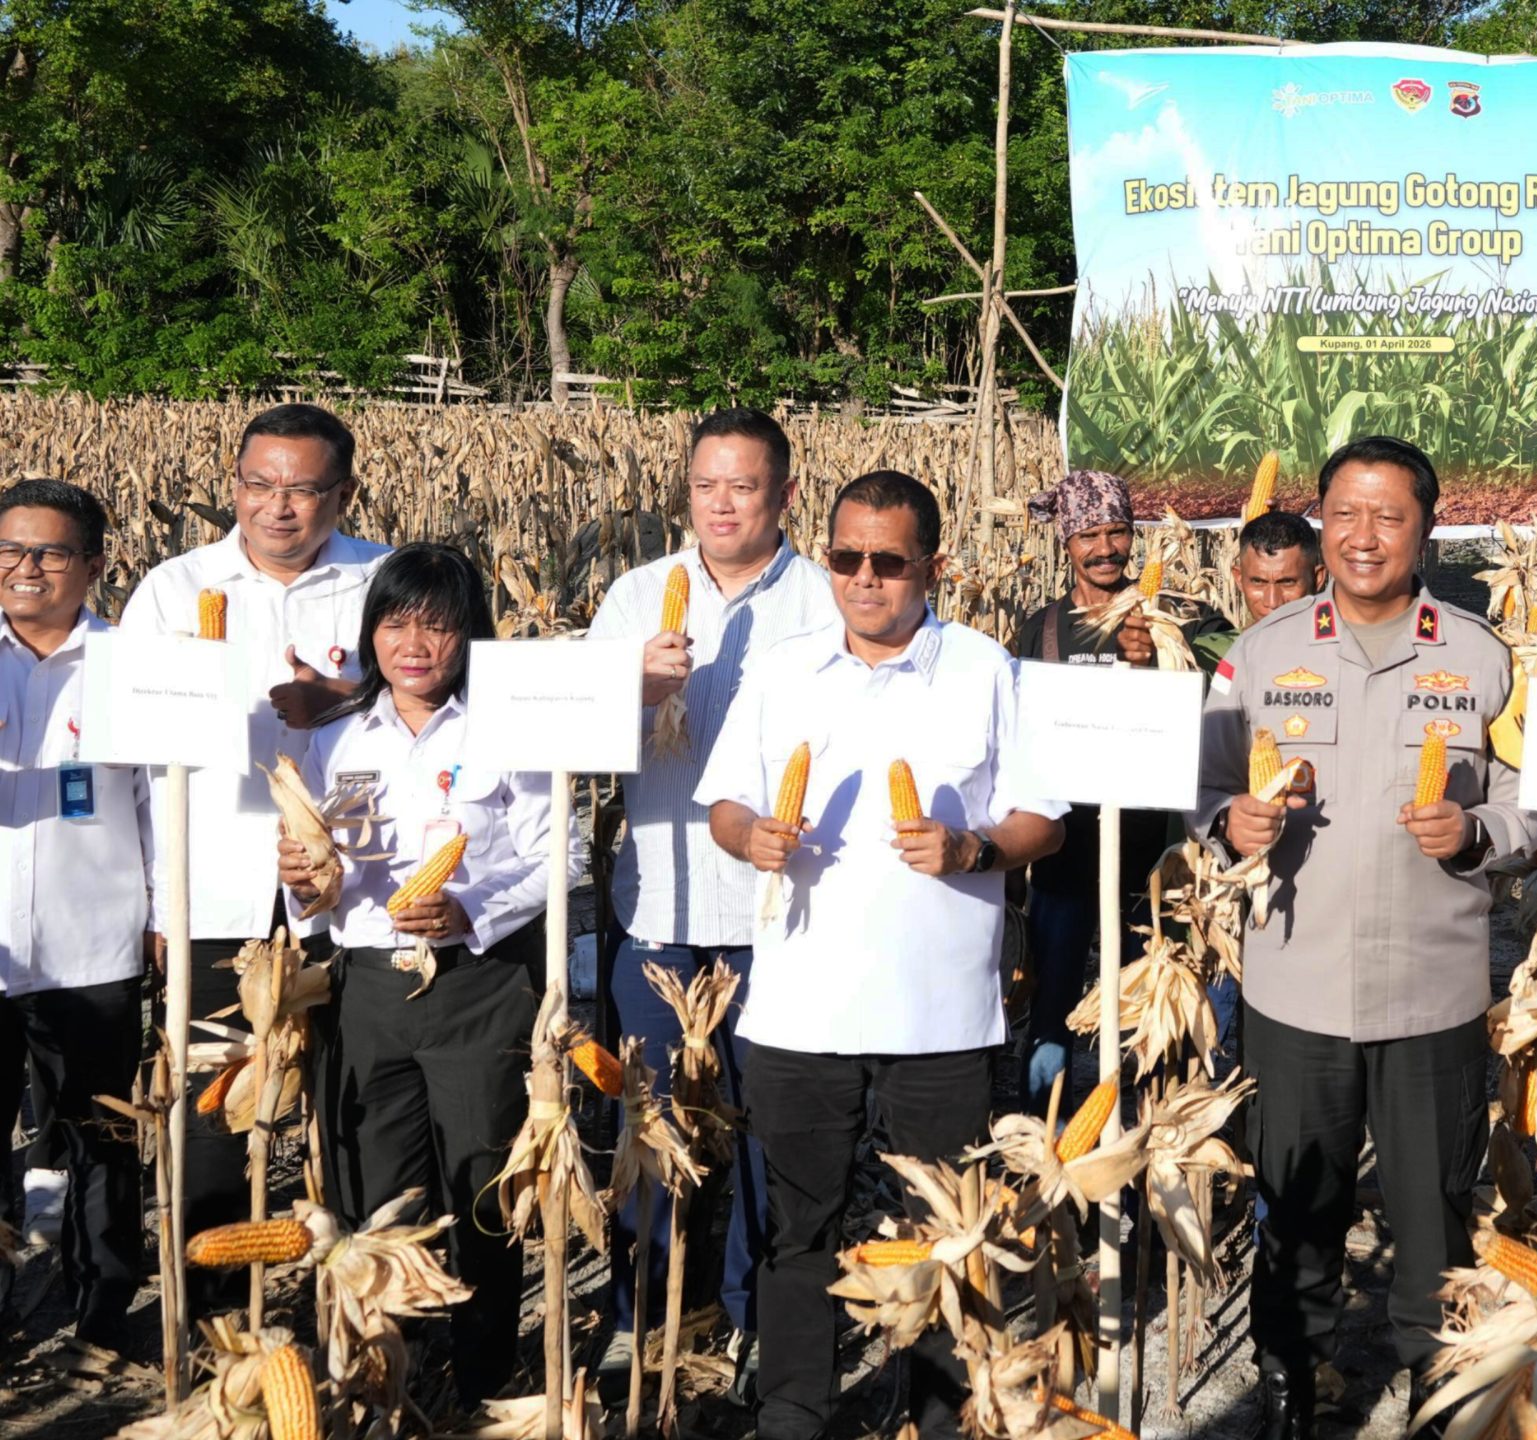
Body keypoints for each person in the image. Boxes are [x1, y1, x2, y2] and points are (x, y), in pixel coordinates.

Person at [1195, 435, 1537, 1439]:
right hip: (1294, 988)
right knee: (1297, 1207)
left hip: (1430, 993)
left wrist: (1476, 833)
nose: (1363, 536)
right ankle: (1288, 1391)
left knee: (1431, 1213)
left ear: (1426, 529)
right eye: (1344, 514)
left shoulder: (1480, 656)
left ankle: (1437, 1393)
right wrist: (1229, 823)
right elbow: (1205, 786)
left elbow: (1531, 806)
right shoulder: (1261, 653)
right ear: (1320, 523)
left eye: (1388, 516)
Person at [701, 470, 1065, 1440]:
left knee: (944, 1227)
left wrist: (974, 850)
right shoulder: (781, 670)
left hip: (940, 1015)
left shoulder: (984, 669)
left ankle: (940, 1410)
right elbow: (726, 803)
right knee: (800, 1228)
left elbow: (1044, 820)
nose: (865, 578)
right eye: (846, 557)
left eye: (889, 561)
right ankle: (794, 1409)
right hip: (799, 1008)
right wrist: (749, 837)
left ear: (931, 568)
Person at [280, 542, 574, 1408]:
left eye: (438, 626)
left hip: (476, 987)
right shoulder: (334, 740)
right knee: (379, 1187)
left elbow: (557, 859)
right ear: (371, 632)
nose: (414, 645)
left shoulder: (510, 732)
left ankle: (482, 1374)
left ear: (469, 634)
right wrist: (302, 884)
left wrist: (469, 908)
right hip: (367, 988)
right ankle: (387, 1370)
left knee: (483, 1180)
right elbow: (314, 884)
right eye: (396, 623)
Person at [584, 407, 835, 1393]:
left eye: (743, 485)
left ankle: (752, 1314)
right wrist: (632, 691)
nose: (721, 504)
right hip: (658, 903)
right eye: (704, 486)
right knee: (647, 1123)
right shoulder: (634, 595)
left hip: (780, 914)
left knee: (770, 1129)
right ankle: (642, 1312)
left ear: (785, 494)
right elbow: (572, 746)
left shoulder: (824, 600)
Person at [120, 401, 385, 1310]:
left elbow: (444, 704)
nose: (277, 506)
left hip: (353, 888)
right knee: (213, 1103)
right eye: (258, 485)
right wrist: (160, 900)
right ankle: (216, 1308)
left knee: (350, 1098)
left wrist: (342, 701)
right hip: (215, 887)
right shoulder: (174, 588)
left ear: (343, 494)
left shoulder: (383, 580)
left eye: (302, 489)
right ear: (233, 485)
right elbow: (137, 757)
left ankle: (349, 1299)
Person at [0, 480, 151, 1348]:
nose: (26, 568)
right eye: (10, 550)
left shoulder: (135, 667)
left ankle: (102, 1315)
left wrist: (163, 912)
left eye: (51, 552)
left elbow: (161, 803)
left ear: (93, 565)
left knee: (101, 1136)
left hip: (91, 942)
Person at [1010, 470, 1165, 1103]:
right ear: (1066, 542)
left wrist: (1156, 663)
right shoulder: (1041, 629)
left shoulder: (1170, 621)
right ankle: (1042, 1131)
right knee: (1052, 1006)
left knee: (1149, 1012)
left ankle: (1148, 1132)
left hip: (1149, 861)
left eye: (1117, 532)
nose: (1106, 549)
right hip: (1063, 854)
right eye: (1088, 535)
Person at [1193, 510, 1326, 667]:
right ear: (1239, 579)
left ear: (1317, 579)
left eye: (1287, 582)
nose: (1272, 602)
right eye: (1258, 582)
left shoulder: (1342, 655)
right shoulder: (1203, 657)